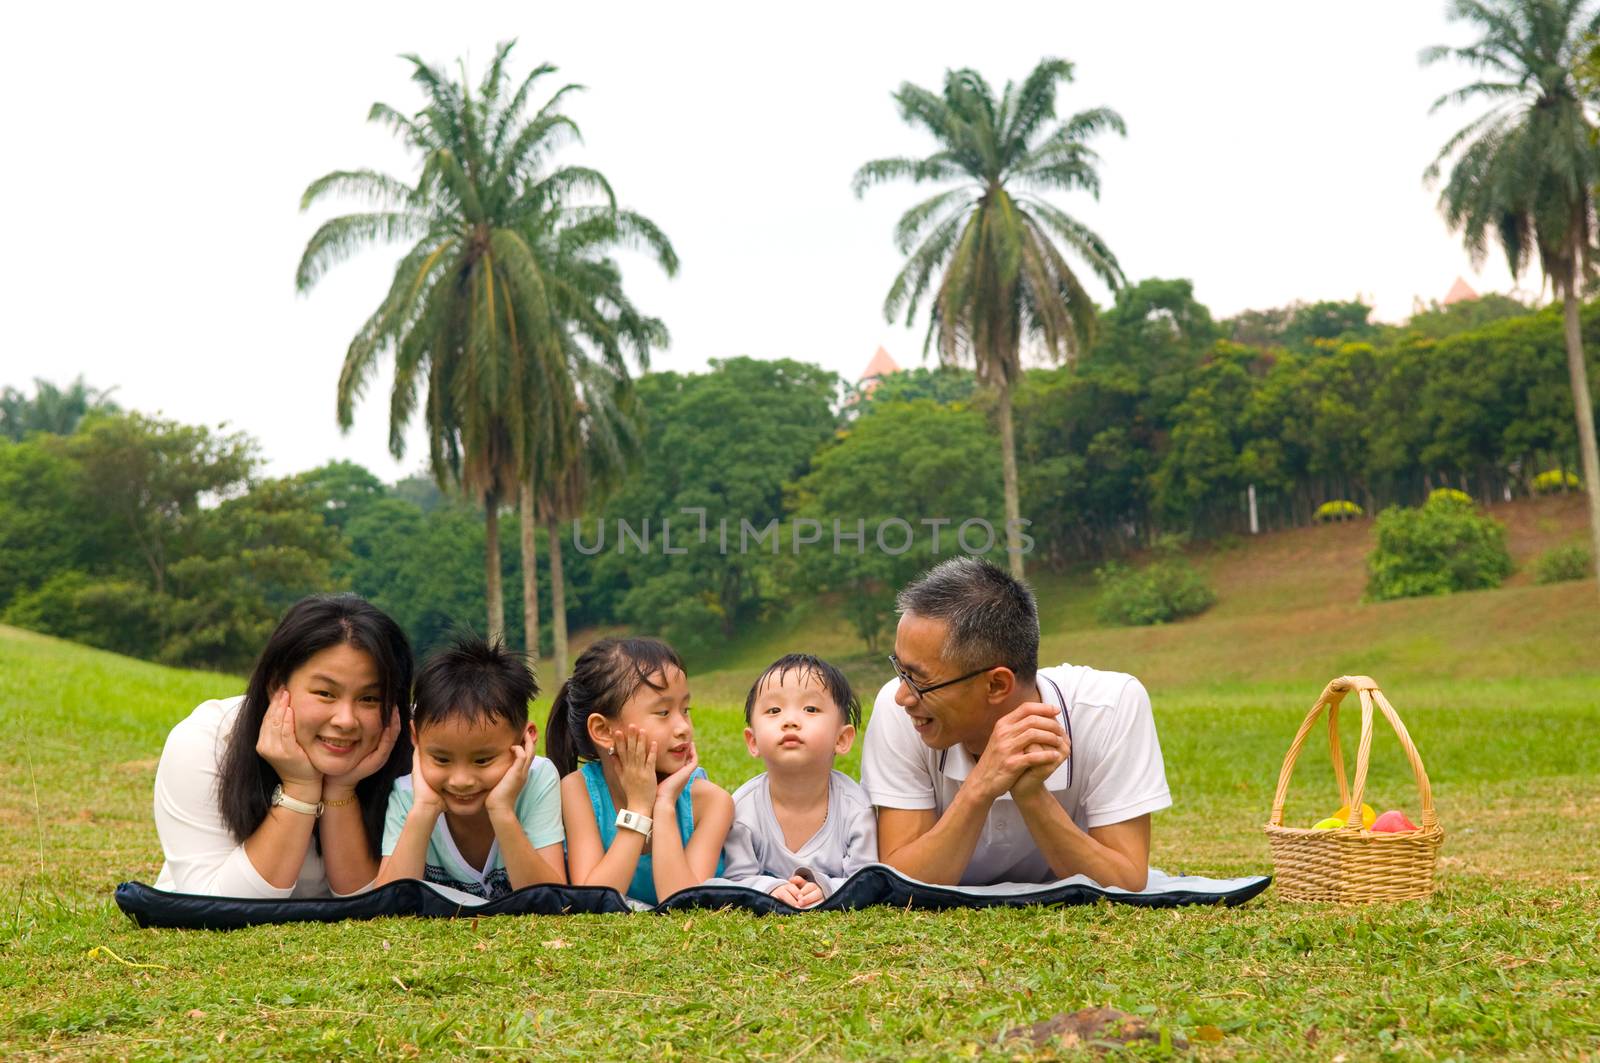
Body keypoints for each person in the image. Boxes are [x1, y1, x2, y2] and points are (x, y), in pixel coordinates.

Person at [860, 557, 1170, 890]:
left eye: (919, 679)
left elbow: (1124, 881)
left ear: (996, 685)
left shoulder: (1108, 707)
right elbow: (901, 880)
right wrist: (981, 785)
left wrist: (1031, 794)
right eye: (900, 670)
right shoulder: (900, 712)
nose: (902, 696)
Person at [152, 594, 412, 897]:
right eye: (325, 693)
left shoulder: (424, 751)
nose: (346, 720)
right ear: (277, 685)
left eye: (369, 698)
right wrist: (300, 786)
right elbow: (217, 903)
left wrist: (341, 789)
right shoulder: (204, 743)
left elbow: (373, 904)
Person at [375, 636, 566, 899]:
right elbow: (386, 906)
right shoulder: (408, 795)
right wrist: (424, 811)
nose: (461, 780)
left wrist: (502, 811)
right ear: (416, 737)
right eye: (441, 759)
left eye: (482, 760)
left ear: (524, 739)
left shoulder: (537, 779)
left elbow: (553, 902)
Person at [548, 637, 731, 906]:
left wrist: (665, 803)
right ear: (603, 731)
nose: (683, 727)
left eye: (685, 709)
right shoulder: (578, 791)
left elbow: (682, 904)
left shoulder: (712, 802)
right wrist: (638, 808)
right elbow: (593, 902)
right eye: (663, 712)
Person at [721, 654, 878, 907]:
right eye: (774, 710)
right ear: (753, 741)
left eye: (811, 709)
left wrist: (827, 887)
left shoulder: (856, 809)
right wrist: (769, 888)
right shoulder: (742, 808)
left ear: (842, 739)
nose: (790, 721)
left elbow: (867, 878)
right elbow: (736, 877)